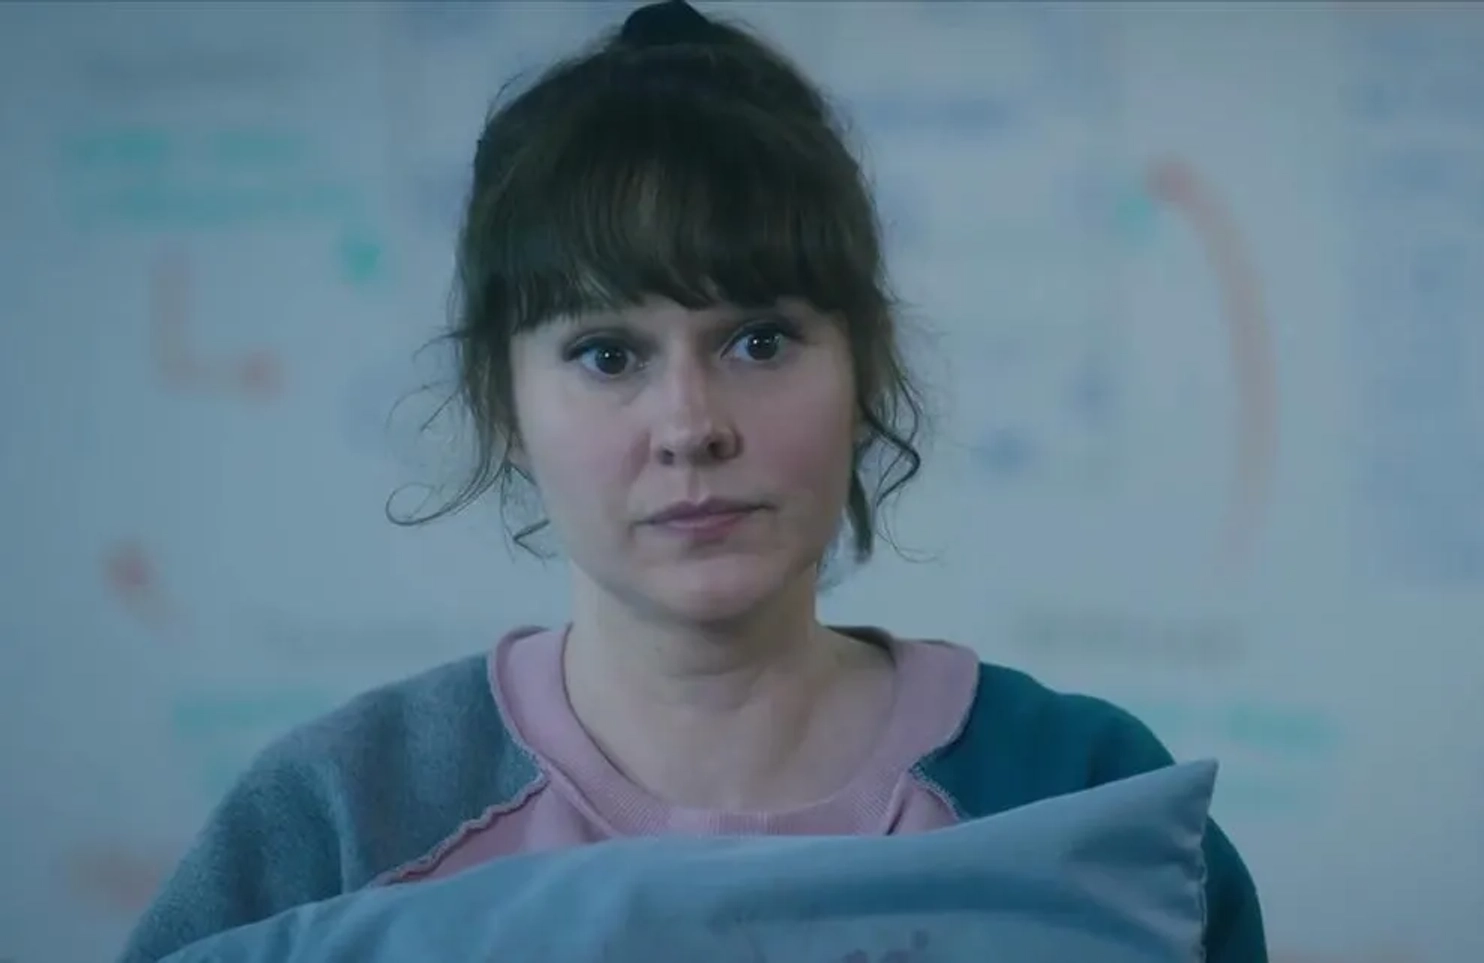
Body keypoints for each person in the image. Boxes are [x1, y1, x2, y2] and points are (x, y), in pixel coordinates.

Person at [117, 2, 1267, 960]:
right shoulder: (336, 826)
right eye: (606, 355)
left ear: (864, 368)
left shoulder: (1079, 795)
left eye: (759, 341)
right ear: (504, 405)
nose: (691, 426)